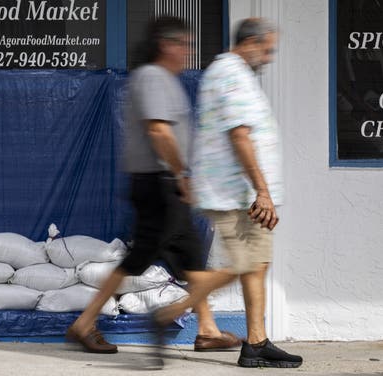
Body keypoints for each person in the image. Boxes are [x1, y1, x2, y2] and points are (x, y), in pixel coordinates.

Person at [64, 16, 239, 355]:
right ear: (166, 45)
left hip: (166, 184)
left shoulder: (163, 79)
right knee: (139, 258)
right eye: (184, 46)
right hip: (159, 185)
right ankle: (85, 322)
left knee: (191, 258)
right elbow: (159, 131)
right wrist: (181, 174)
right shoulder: (153, 77)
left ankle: (208, 330)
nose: (187, 53)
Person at [154, 18, 303, 368]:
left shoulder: (231, 73)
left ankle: (256, 342)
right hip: (238, 193)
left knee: (256, 266)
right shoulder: (231, 73)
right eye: (266, 50)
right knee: (247, 265)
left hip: (241, 191)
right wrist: (262, 191)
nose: (268, 58)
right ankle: (167, 315)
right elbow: (239, 136)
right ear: (250, 43)